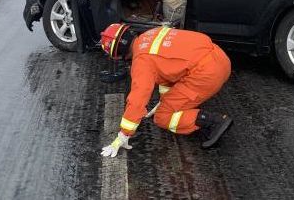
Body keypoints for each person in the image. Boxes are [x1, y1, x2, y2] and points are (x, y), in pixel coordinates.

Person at [99, 24, 233, 157]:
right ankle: (191, 111)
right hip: (221, 58)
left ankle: (213, 121)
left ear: (117, 55)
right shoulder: (151, 34)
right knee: (167, 105)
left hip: (206, 75)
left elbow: (137, 101)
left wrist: (124, 134)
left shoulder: (141, 62)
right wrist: (164, 101)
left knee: (162, 117)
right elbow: (168, 73)